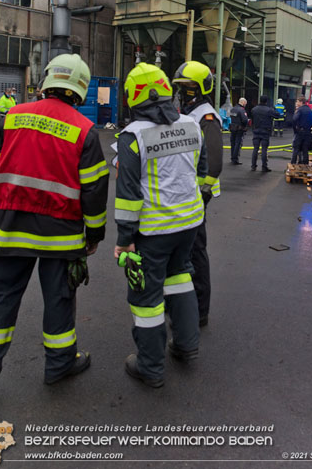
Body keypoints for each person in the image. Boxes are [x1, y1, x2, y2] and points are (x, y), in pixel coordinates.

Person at [0, 54, 109, 394]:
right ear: (80, 88)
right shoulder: (85, 131)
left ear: (46, 80)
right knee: (59, 299)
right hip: (61, 235)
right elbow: (94, 190)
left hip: (10, 227)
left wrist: (1, 207)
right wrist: (95, 234)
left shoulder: (13, 117)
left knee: (0, 298)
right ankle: (59, 366)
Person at [115, 62, 207, 388]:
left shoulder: (132, 137)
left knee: (146, 298)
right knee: (181, 279)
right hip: (190, 224)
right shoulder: (191, 125)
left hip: (153, 232)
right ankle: (186, 346)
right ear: (167, 90)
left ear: (131, 98)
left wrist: (124, 240)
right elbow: (202, 172)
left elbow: (127, 196)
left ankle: (150, 367)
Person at [173, 61, 223, 327]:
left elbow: (214, 163)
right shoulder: (189, 112)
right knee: (186, 251)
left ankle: (200, 310)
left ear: (203, 88)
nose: (185, 92)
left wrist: (202, 193)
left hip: (197, 196)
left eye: (190, 87)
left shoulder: (207, 118)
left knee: (196, 252)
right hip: (187, 193)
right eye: (181, 87)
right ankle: (185, 303)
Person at [251, 95, 279, 172]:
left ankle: (253, 166)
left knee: (255, 149)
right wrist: (273, 108)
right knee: (264, 150)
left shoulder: (254, 109)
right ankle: (264, 166)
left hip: (256, 131)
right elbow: (277, 115)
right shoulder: (269, 110)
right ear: (266, 101)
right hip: (265, 132)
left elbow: (252, 119)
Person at [291, 95, 312, 165]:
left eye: (297, 101)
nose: (296, 103)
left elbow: (294, 119)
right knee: (305, 149)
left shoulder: (300, 110)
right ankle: (305, 164)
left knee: (296, 148)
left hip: (300, 132)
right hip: (307, 132)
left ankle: (293, 164)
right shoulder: (310, 110)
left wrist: (295, 130)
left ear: (301, 102)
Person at [229, 97, 248, 164]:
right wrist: (246, 125)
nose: (245, 105)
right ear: (243, 103)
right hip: (239, 128)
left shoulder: (233, 109)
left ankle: (232, 158)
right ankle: (235, 159)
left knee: (233, 143)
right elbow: (245, 120)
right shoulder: (242, 110)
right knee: (238, 143)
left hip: (232, 128)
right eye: (245, 103)